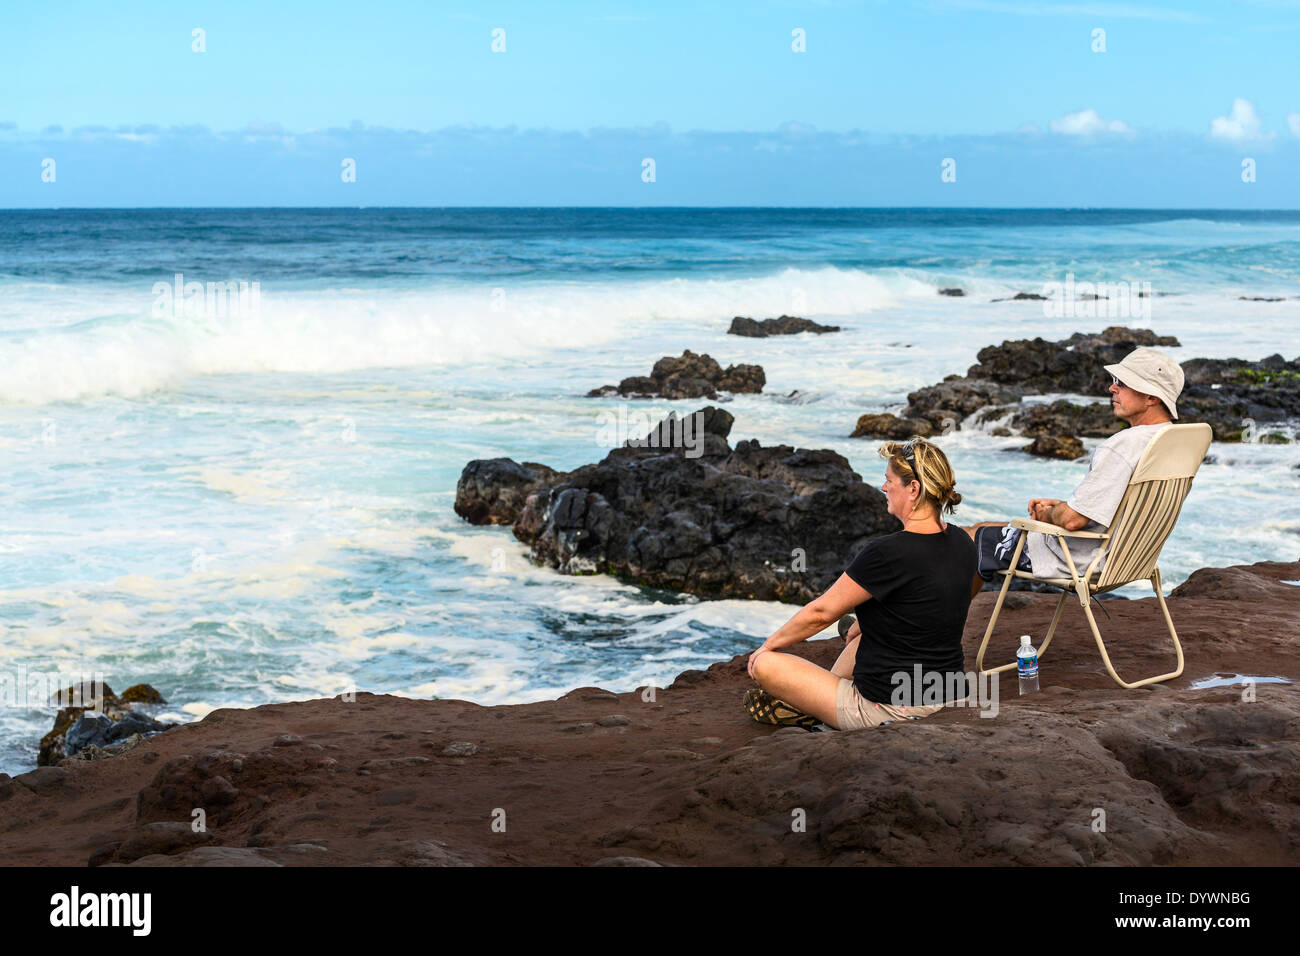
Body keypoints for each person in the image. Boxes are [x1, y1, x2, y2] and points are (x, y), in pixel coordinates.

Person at [744, 437, 977, 731]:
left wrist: (766, 647)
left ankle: (818, 707)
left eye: (889, 480)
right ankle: (822, 698)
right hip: (950, 696)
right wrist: (867, 624)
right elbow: (933, 603)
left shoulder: (886, 552)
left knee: (767, 665)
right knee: (858, 631)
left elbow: (822, 613)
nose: (883, 488)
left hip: (888, 710)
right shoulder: (962, 542)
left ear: (913, 489)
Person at [965, 346, 1185, 595]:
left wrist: (1050, 514)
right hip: (1131, 560)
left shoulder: (1123, 446)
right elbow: (1120, 507)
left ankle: (948, 626)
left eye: (1122, 383)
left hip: (1080, 560)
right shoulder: (1172, 441)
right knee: (984, 527)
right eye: (1115, 381)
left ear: (1151, 398)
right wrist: (1063, 505)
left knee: (968, 540)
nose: (1112, 388)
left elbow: (1072, 521)